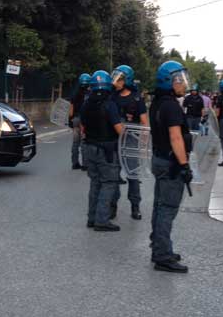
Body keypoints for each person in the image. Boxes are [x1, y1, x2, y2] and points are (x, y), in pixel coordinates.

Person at [149, 60, 194, 273]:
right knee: (167, 209)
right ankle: (163, 256)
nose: (183, 84)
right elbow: (176, 137)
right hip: (171, 163)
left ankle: (159, 247)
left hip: (159, 159)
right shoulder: (171, 106)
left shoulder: (157, 103)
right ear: (170, 81)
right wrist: (184, 165)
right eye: (180, 80)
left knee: (159, 206)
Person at [81, 70, 124, 232]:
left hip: (89, 147)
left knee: (95, 183)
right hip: (106, 150)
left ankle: (92, 218)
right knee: (108, 183)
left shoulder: (86, 103)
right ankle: (102, 220)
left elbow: (83, 126)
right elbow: (119, 129)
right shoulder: (109, 104)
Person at [111, 65, 147, 221]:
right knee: (113, 175)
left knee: (133, 175)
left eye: (119, 79)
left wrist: (144, 143)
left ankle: (135, 206)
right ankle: (112, 207)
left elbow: (144, 121)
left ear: (127, 80)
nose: (115, 82)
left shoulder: (137, 98)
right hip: (114, 139)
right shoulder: (112, 96)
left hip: (132, 140)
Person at [69, 73, 91, 171]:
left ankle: (75, 163)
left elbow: (71, 109)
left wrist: (70, 120)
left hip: (75, 119)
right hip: (85, 120)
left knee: (75, 143)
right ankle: (85, 164)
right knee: (84, 142)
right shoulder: (89, 95)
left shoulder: (75, 93)